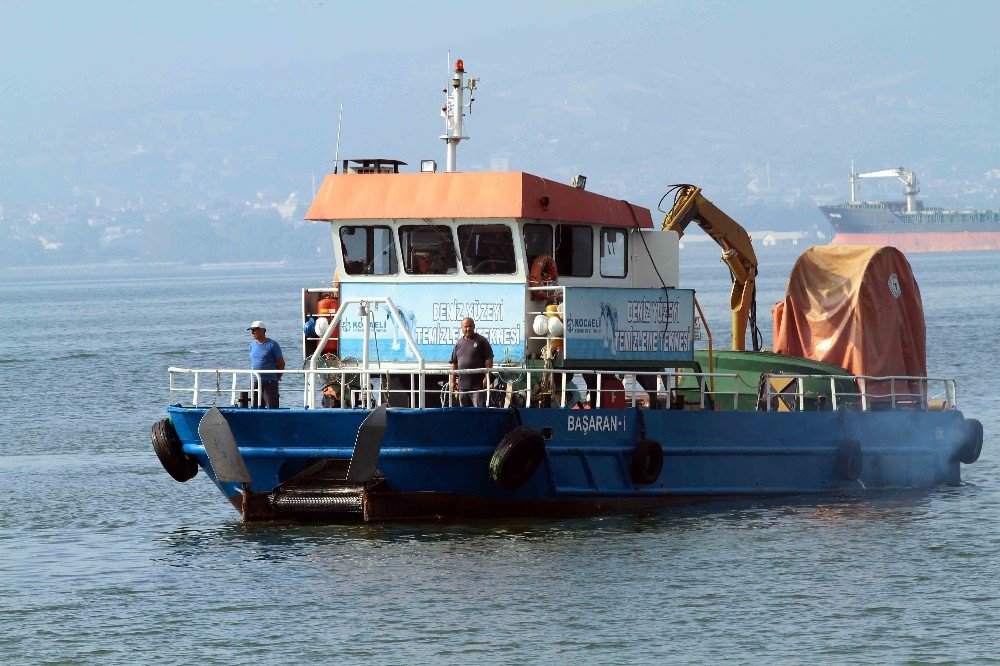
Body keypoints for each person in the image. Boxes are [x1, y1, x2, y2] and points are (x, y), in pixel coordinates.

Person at [449, 317, 494, 407]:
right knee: (464, 414)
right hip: (462, 387)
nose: (468, 329)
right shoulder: (458, 344)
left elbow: (489, 359)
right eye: (466, 326)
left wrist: (486, 376)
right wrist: (452, 381)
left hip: (477, 387)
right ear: (462, 328)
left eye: (470, 326)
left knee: (479, 412)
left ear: (474, 326)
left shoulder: (482, 340)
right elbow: (454, 363)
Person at [248, 320, 284, 408]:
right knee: (255, 407)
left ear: (262, 330)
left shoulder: (272, 344)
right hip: (255, 381)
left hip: (269, 382)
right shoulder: (252, 344)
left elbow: (281, 363)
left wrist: (277, 376)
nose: (252, 332)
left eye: (254, 330)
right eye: (251, 330)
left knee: (272, 407)